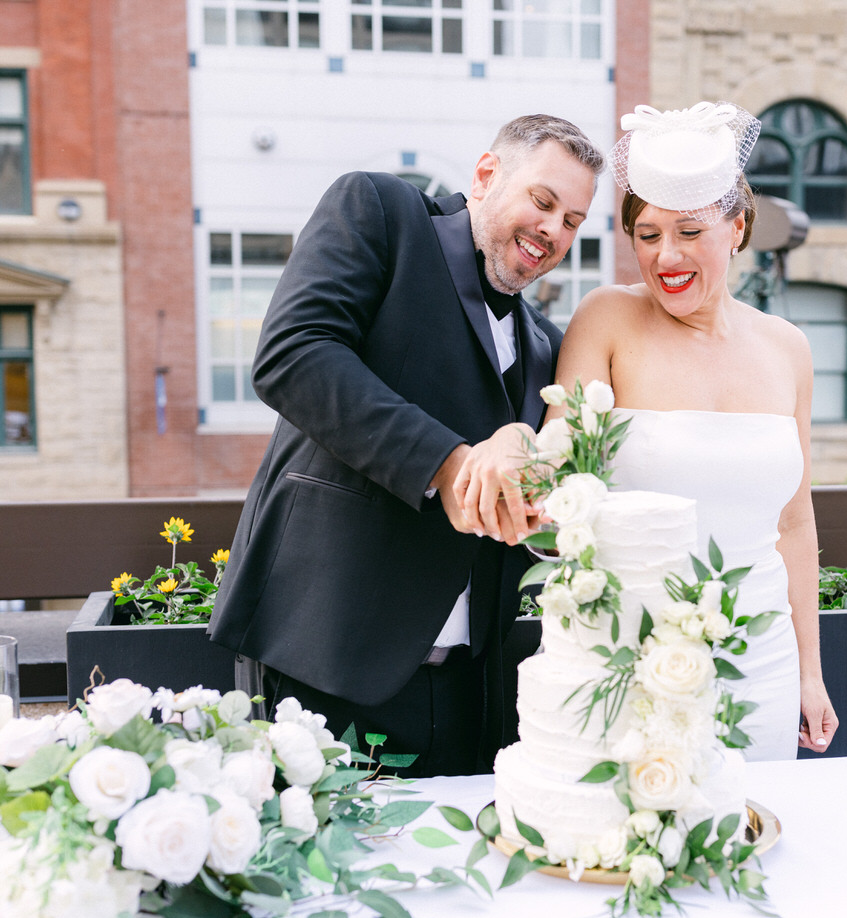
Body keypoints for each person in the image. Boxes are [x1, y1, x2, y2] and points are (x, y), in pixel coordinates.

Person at [208, 116, 604, 777]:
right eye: (542, 201)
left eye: (572, 221)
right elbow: (293, 355)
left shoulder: (548, 345)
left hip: (472, 697)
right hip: (327, 659)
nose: (554, 231)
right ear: (485, 176)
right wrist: (447, 466)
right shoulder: (380, 211)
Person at [469, 103, 838, 760]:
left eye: (689, 231)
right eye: (647, 235)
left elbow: (796, 524)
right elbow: (557, 462)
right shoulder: (606, 317)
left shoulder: (790, 348)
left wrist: (810, 672)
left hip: (764, 660)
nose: (665, 255)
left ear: (737, 228)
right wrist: (516, 460)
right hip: (629, 655)